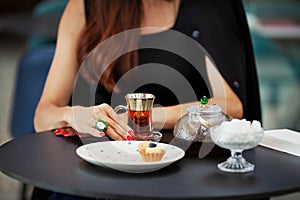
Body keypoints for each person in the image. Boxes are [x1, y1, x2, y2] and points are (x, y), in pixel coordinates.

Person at [32, 0, 261, 199]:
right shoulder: (84, 7)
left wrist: (138, 117)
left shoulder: (206, 7)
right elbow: (43, 116)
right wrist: (73, 114)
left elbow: (231, 104)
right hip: (88, 174)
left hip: (177, 177)